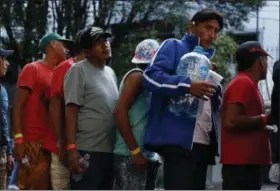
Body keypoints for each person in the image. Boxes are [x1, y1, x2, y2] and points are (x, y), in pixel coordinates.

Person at [142, 9, 223, 190]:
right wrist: (188, 85)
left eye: (216, 31)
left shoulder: (207, 61)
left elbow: (212, 105)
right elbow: (151, 77)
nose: (212, 34)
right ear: (191, 27)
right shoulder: (174, 46)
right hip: (178, 141)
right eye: (208, 27)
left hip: (203, 141)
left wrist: (216, 92)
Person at [13, 33, 72, 190]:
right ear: (52, 44)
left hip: (54, 145)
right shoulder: (32, 69)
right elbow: (17, 106)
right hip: (33, 143)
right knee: (33, 185)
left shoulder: (64, 73)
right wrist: (19, 139)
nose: (66, 49)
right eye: (63, 44)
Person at [64, 27, 118, 190]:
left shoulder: (110, 72)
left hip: (109, 151)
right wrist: (72, 149)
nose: (105, 45)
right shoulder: (77, 70)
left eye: (106, 41)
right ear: (87, 52)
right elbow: (71, 111)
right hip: (87, 150)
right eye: (98, 43)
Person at [220, 41, 274, 190]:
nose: (267, 65)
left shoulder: (249, 84)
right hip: (240, 165)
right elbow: (231, 121)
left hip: (248, 164)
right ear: (260, 62)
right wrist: (265, 118)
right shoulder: (243, 82)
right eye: (266, 60)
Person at [114, 39, 161, 190]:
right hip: (130, 155)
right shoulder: (137, 77)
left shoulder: (149, 80)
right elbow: (119, 112)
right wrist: (135, 152)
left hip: (144, 155)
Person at [46, 29, 86, 190]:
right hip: (64, 143)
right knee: (62, 184)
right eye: (65, 46)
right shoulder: (66, 67)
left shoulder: (94, 68)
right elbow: (55, 104)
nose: (67, 49)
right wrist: (62, 141)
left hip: (84, 142)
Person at [0, 49, 14, 190]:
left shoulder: (3, 91)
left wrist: (9, 152)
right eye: (3, 58)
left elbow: (4, 124)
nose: (7, 63)